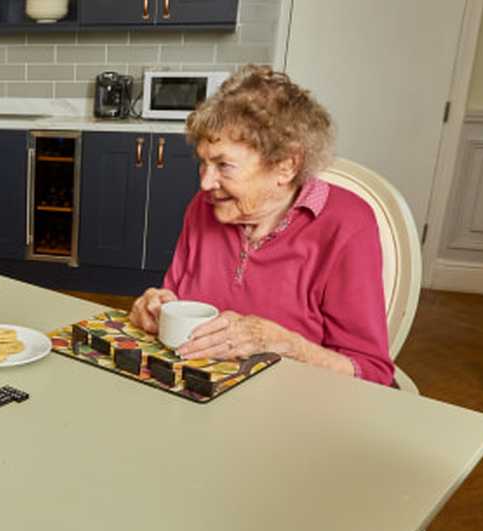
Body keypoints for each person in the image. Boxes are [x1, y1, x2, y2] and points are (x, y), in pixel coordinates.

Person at [129, 65, 394, 386]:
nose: (205, 182)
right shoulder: (204, 208)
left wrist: (287, 344)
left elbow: (372, 374)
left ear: (286, 166)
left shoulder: (347, 225)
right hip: (198, 394)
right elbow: (176, 301)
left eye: (224, 165)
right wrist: (156, 309)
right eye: (203, 162)